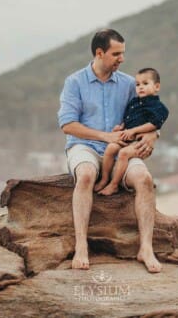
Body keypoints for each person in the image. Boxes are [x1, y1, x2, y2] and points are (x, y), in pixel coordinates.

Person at [58, 29, 161, 273]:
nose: (122, 59)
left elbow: (152, 114)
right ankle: (81, 246)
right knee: (84, 175)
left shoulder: (128, 84)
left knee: (144, 179)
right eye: (116, 54)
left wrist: (152, 135)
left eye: (123, 53)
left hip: (121, 150)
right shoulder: (74, 82)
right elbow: (67, 125)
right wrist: (105, 136)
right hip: (84, 146)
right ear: (99, 53)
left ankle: (146, 248)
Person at [94, 67, 169, 196]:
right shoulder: (134, 102)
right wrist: (121, 127)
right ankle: (105, 179)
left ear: (156, 87)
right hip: (128, 137)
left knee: (123, 154)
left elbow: (154, 124)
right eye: (138, 84)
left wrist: (134, 130)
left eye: (145, 84)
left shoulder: (159, 107)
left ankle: (114, 185)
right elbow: (129, 119)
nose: (140, 87)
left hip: (139, 142)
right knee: (111, 148)